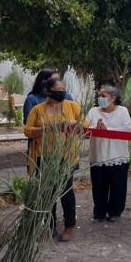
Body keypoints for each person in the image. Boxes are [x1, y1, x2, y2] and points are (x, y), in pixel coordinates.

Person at [24, 77, 84, 242]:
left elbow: (85, 128)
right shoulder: (37, 110)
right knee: (47, 193)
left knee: (65, 191)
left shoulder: (73, 106)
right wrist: (47, 128)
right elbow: (28, 131)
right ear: (48, 92)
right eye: (58, 89)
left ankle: (69, 226)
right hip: (44, 157)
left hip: (67, 157)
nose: (62, 92)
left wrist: (74, 125)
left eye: (63, 88)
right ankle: (49, 226)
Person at [86, 85, 131, 222]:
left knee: (118, 186)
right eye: (99, 95)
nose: (100, 98)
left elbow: (126, 130)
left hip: (117, 155)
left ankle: (115, 212)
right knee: (99, 186)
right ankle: (99, 212)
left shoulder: (123, 111)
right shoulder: (93, 111)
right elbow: (86, 128)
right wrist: (96, 128)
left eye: (103, 96)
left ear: (113, 98)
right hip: (98, 155)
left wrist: (108, 129)